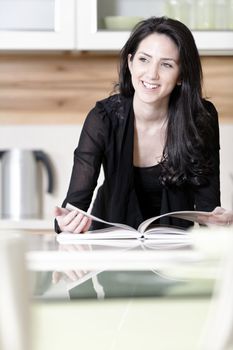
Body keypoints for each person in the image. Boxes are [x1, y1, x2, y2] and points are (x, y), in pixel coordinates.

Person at [55, 16, 232, 234]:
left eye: (166, 64)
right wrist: (66, 223)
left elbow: (208, 210)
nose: (151, 74)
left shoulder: (200, 118)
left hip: (174, 249)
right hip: (110, 244)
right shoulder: (103, 118)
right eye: (144, 60)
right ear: (130, 62)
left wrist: (220, 221)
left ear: (181, 75)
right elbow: (75, 205)